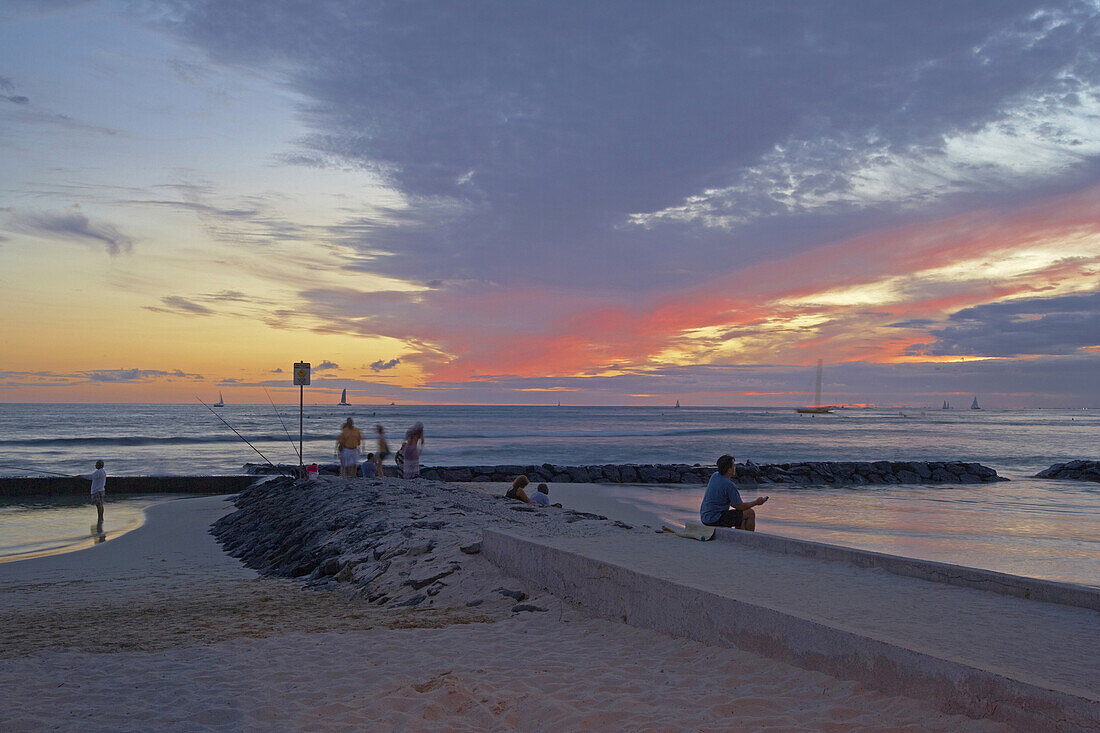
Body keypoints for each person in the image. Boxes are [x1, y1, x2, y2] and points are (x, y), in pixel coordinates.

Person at [700, 454, 768, 531]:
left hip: (705, 517)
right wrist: (756, 502)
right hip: (714, 519)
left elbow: (735, 505)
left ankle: (741, 537)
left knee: (740, 515)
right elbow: (740, 506)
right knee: (750, 513)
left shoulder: (715, 476)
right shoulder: (729, 485)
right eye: (733, 466)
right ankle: (750, 538)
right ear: (729, 470)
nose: (735, 468)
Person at [79, 460, 107, 528]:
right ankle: (101, 517)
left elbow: (91, 477)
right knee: (100, 505)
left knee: (99, 505)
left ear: (100, 465)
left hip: (97, 491)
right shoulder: (102, 472)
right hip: (101, 490)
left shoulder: (99, 472)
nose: (95, 465)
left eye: (96, 464)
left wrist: (81, 476)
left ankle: (100, 518)